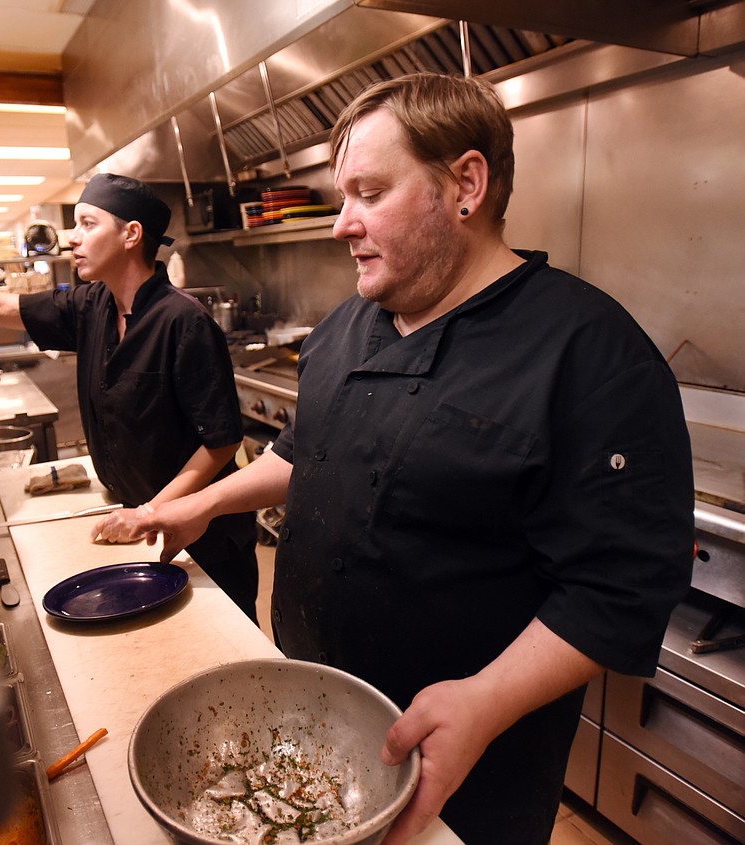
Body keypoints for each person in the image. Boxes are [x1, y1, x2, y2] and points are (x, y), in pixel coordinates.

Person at [137, 72, 694, 845]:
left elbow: (620, 585)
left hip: (467, 757)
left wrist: (486, 700)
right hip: (309, 715)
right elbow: (310, 454)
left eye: (369, 192)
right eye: (342, 198)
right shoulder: (344, 327)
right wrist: (206, 501)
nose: (342, 225)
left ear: (466, 184)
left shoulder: (590, 355)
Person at [0, 173, 260, 622]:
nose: (73, 238)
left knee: (226, 647)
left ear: (131, 234)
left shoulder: (184, 322)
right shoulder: (91, 306)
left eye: (88, 224)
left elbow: (221, 442)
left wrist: (154, 511)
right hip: (133, 519)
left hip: (199, 530)